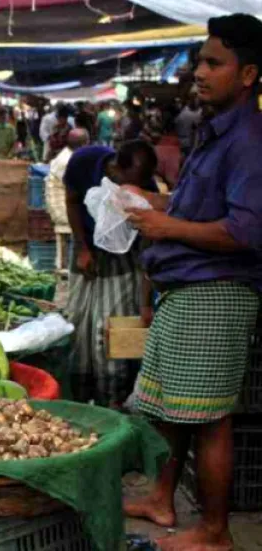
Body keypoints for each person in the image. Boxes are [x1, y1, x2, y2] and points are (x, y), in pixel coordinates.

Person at [123, 15, 262, 550]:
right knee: (169, 408)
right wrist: (150, 204)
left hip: (216, 291)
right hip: (185, 289)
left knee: (209, 419)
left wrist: (166, 226)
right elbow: (194, 206)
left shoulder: (249, 139)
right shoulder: (215, 129)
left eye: (213, 63)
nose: (199, 72)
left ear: (247, 73)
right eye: (199, 61)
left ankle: (215, 532)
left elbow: (246, 229)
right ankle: (161, 498)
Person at [64, 139, 159, 408]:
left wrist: (144, 301)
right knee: (78, 324)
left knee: (108, 331)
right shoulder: (83, 161)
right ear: (116, 168)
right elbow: (71, 201)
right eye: (130, 181)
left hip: (122, 255)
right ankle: (79, 400)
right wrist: (83, 248)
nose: (134, 188)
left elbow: (145, 248)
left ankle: (113, 400)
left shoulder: (144, 188)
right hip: (85, 242)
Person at [45, 128, 90, 268]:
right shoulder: (68, 161)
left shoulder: (68, 156)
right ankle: (76, 263)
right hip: (62, 209)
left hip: (62, 204)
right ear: (84, 144)